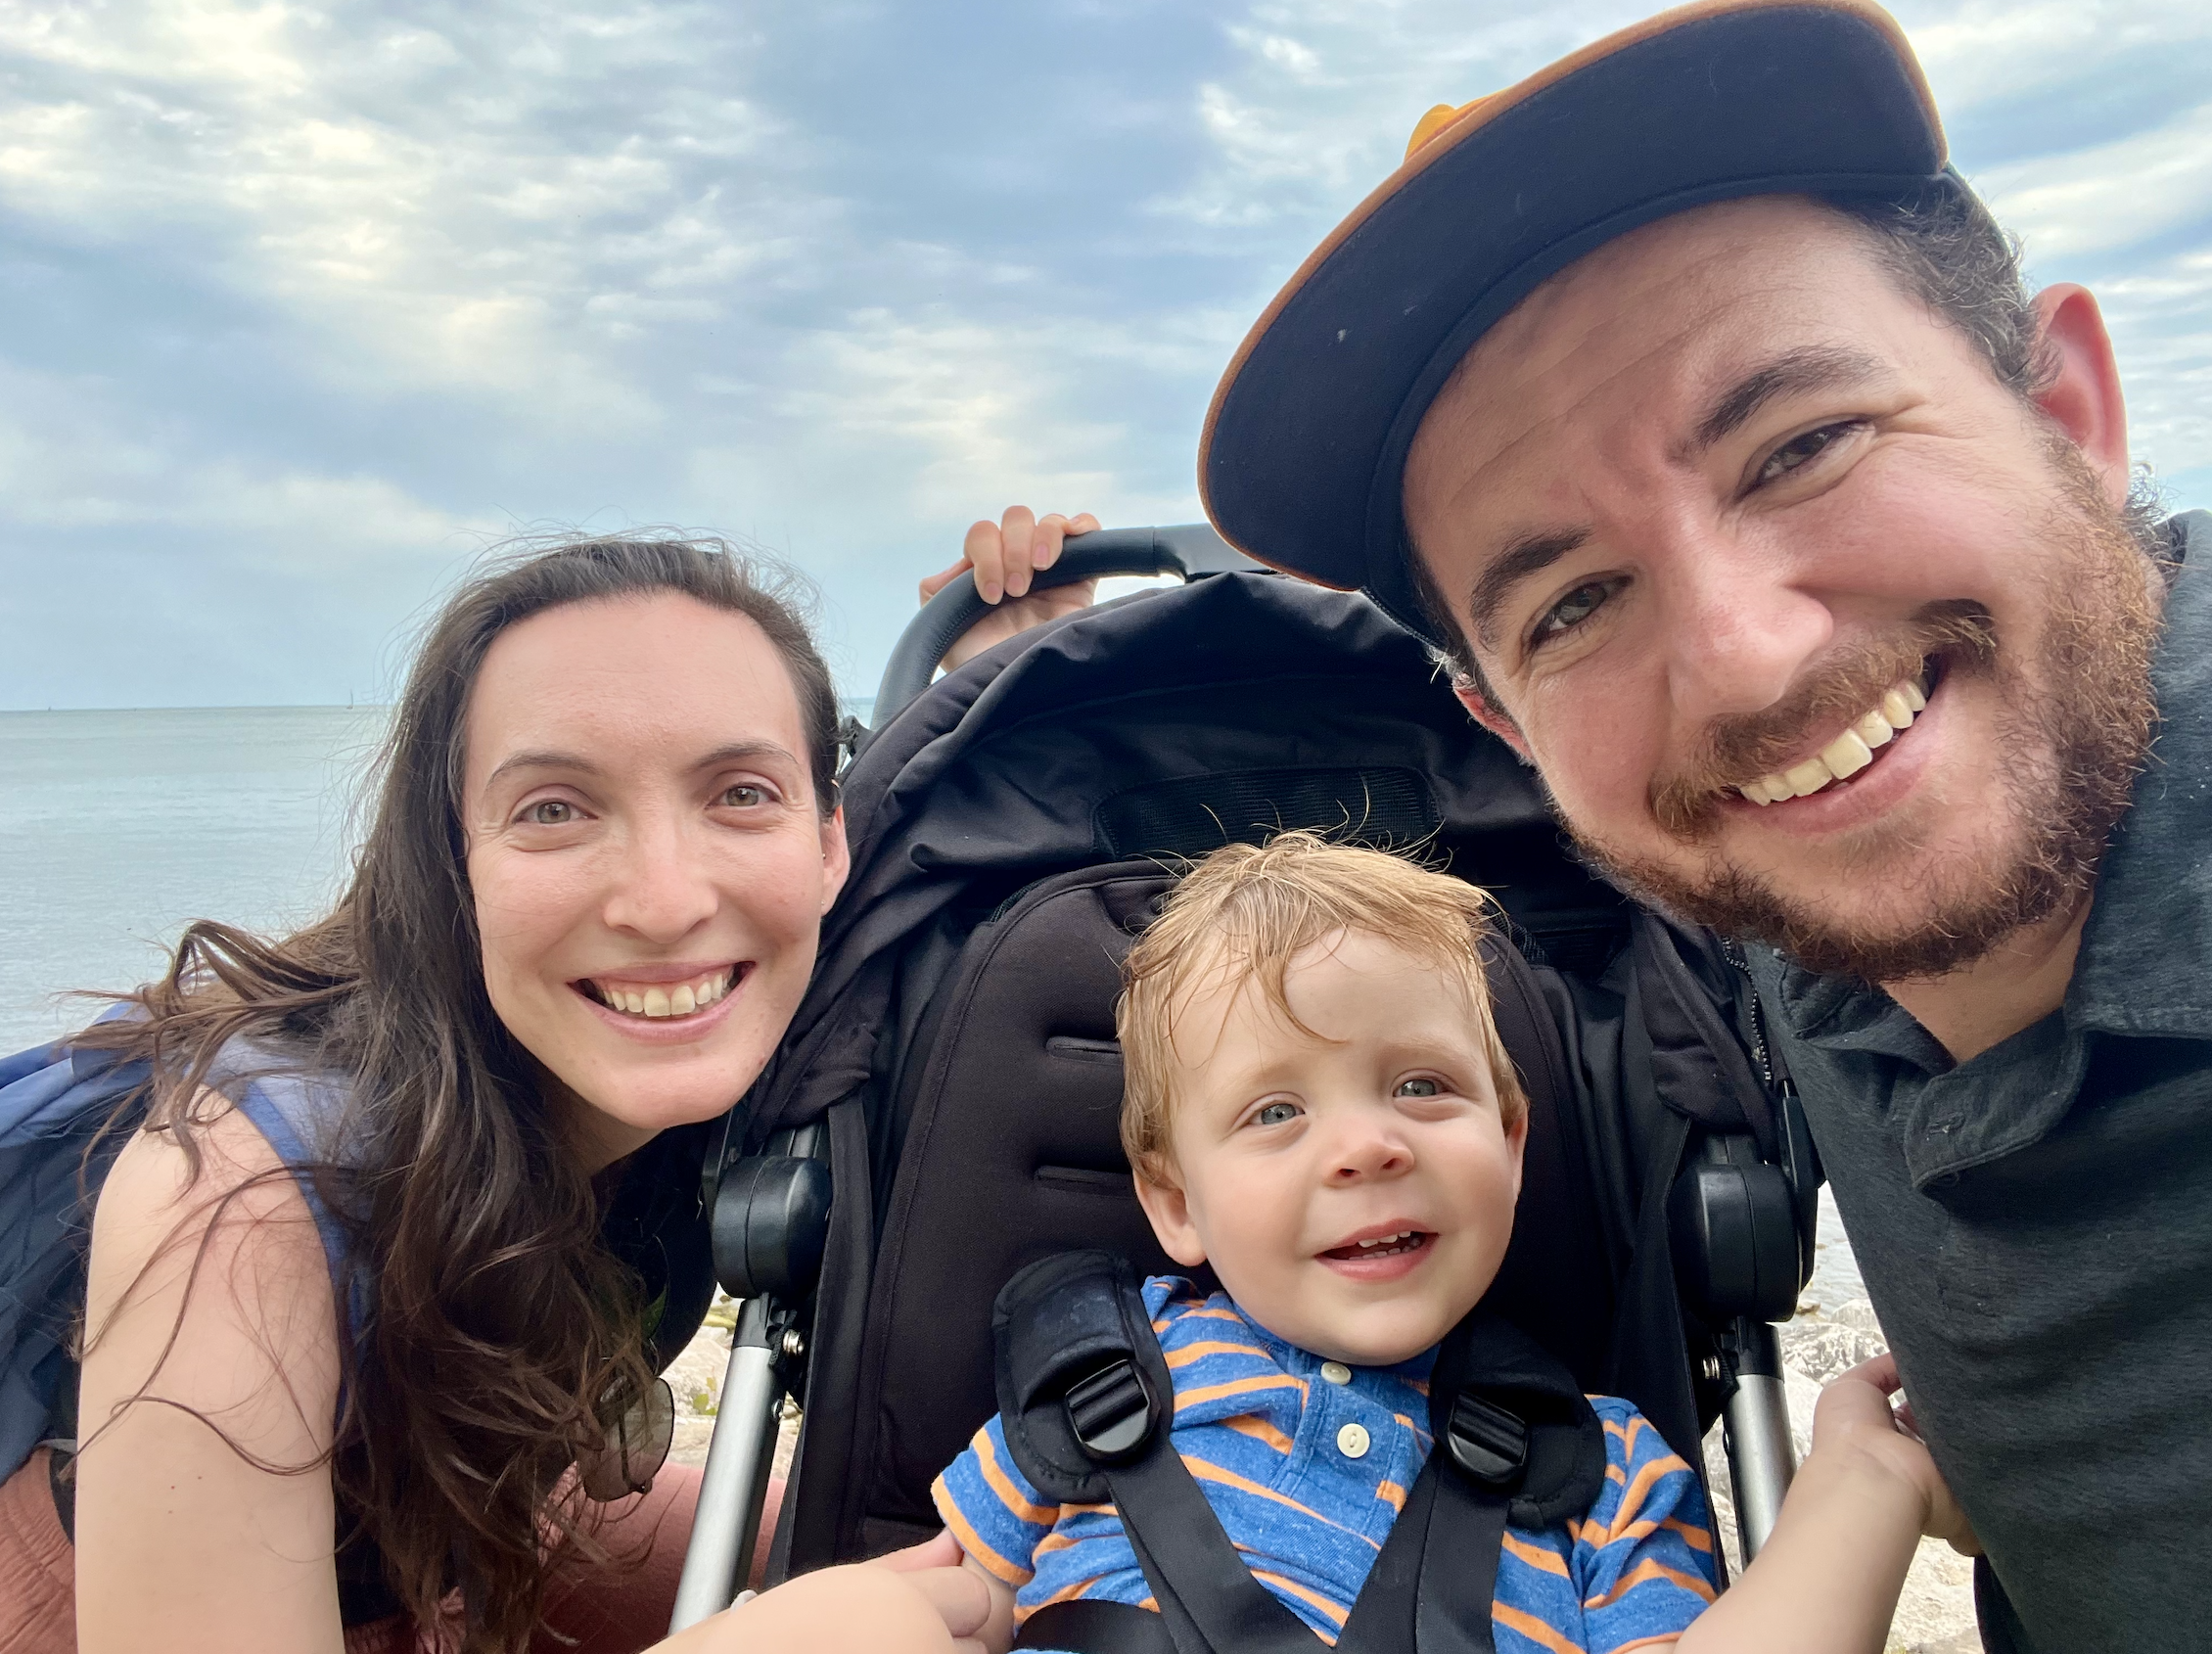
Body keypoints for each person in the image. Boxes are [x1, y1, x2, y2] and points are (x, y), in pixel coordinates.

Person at [1137, 1, 2210, 1647]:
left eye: (1804, 444)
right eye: (1570, 606)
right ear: (1507, 726)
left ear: (2068, 412)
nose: (1744, 660)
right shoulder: (1808, 932)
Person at [0, 531, 1028, 1654]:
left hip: (442, 1539)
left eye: (740, 792)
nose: (664, 900)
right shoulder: (239, 1210)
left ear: (828, 841)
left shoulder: (703, 1086)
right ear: (454, 860)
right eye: (553, 808)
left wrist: (1024, 669)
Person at [924, 834, 1970, 1654]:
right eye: (1275, 1111)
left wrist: (1861, 1483)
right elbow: (922, 1604)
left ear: (1511, 1142)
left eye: (1421, 1086)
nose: (1367, 1146)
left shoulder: (1601, 1471)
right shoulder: (1100, 1385)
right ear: (1175, 1203)